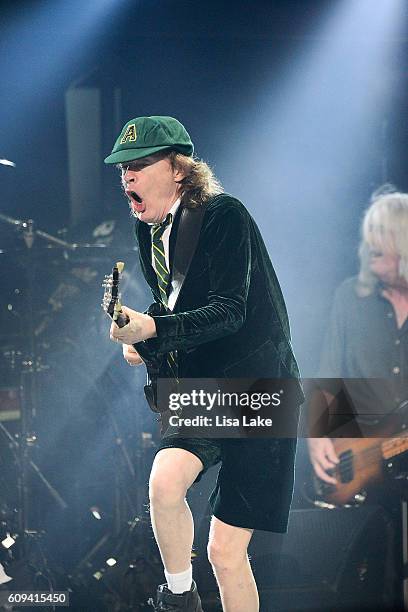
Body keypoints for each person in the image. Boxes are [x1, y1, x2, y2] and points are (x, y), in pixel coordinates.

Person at [104, 115, 303, 612]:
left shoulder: (223, 215)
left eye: (139, 165)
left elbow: (230, 310)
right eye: (122, 168)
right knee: (164, 482)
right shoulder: (145, 232)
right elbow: (174, 313)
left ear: (178, 170)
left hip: (260, 390)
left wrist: (153, 330)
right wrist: (139, 338)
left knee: (225, 552)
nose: (127, 176)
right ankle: (179, 598)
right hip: (206, 388)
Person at [308, 187, 408, 488]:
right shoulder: (350, 297)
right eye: (369, 232)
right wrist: (318, 433)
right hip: (363, 464)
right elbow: (328, 376)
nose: (370, 242)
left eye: (381, 232)